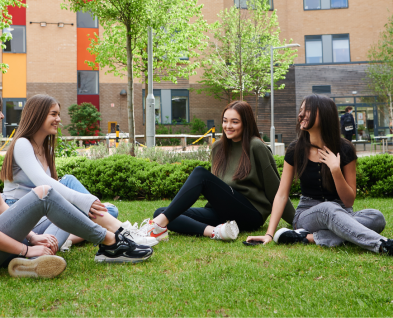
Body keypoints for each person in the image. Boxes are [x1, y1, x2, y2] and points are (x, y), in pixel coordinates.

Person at [0, 94, 159, 250]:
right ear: (37, 115)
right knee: (80, 204)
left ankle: (68, 239)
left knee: (108, 210)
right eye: (53, 114)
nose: (58, 119)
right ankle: (122, 231)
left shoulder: (46, 148)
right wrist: (81, 200)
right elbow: (41, 181)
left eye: (59, 114)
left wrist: (86, 203)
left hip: (45, 215)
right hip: (23, 215)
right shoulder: (22, 144)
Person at [246, 94, 393, 256]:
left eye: (307, 110)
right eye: (301, 110)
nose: (301, 115)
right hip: (307, 215)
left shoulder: (345, 149)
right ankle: (381, 244)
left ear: (324, 114)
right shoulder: (296, 149)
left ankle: (307, 238)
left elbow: (349, 201)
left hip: (343, 212)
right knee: (328, 208)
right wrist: (269, 234)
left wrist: (335, 170)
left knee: (376, 217)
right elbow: (282, 194)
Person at [134, 101, 295, 241]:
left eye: (234, 122)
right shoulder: (218, 147)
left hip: (250, 214)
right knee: (162, 212)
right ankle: (215, 232)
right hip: (222, 212)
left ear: (246, 123)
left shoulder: (256, 146)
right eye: (225, 121)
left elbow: (276, 189)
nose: (228, 126)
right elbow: (219, 187)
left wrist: (296, 221)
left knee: (200, 174)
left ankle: (156, 226)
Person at [0, 185, 153, 278]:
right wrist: (26, 249)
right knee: (44, 193)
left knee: (64, 211)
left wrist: (32, 237)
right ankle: (112, 243)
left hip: (11, 237)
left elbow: (1, 206)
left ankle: (32, 263)